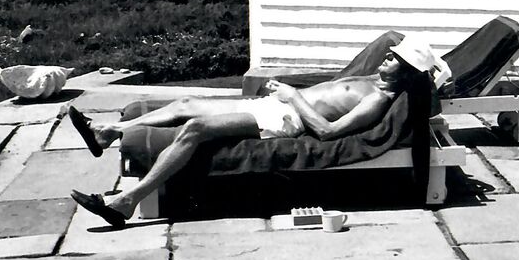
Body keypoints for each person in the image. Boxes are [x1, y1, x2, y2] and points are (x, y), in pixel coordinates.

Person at [66, 35, 450, 228]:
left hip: (285, 121)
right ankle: (108, 132)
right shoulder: (373, 79)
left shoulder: (378, 100)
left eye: (393, 58)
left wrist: (292, 96)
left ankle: (126, 201)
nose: (386, 57)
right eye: (390, 54)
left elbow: (327, 131)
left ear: (405, 73)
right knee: (185, 104)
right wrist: (285, 93)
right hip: (276, 106)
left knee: (195, 129)